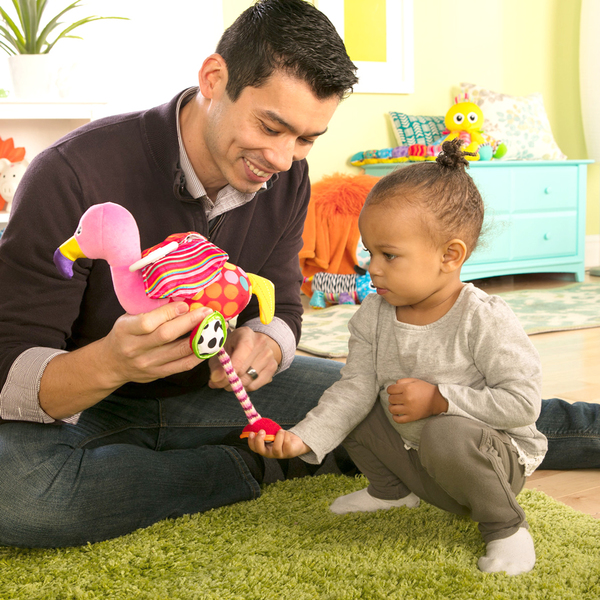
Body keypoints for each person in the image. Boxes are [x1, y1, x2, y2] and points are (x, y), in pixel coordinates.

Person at [0, 0, 358, 548]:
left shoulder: (288, 177)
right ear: (214, 79)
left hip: (214, 393)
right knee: (19, 496)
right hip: (84, 407)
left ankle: (531, 428)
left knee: (385, 397)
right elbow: (9, 362)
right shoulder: (71, 172)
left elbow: (284, 306)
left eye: (307, 139)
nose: (285, 159)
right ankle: (243, 469)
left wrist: (265, 344)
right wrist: (112, 363)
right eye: (272, 126)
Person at [249, 139, 547, 576]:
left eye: (389, 255)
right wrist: (305, 438)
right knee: (357, 401)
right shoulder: (372, 314)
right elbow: (353, 389)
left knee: (446, 434)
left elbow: (523, 404)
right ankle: (391, 490)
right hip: (416, 459)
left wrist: (441, 399)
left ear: (450, 255)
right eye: (369, 251)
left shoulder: (483, 319)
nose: (372, 266)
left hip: (488, 464)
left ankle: (505, 527)